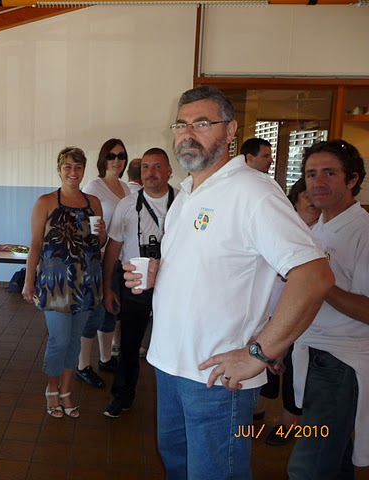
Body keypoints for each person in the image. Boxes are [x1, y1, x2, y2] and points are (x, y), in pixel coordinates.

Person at [123, 85, 334, 479]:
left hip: (218, 380)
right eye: (181, 125)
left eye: (202, 123)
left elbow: (314, 276)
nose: (188, 134)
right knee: (178, 467)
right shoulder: (187, 193)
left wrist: (260, 353)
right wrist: (158, 272)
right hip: (169, 366)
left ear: (231, 130)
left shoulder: (252, 192)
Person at [288, 140, 369, 479]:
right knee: (334, 462)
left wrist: (321, 284)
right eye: (311, 174)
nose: (317, 182)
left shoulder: (363, 232)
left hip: (340, 363)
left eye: (329, 173)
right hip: (312, 351)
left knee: (308, 468)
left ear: (352, 179)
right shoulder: (317, 229)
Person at [22, 146, 106, 418]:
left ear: (84, 170)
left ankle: (66, 390)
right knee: (59, 340)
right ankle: (52, 387)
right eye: (68, 166)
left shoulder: (93, 202)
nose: (73, 172)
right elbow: (35, 244)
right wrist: (28, 282)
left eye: (78, 167)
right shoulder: (46, 202)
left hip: (87, 283)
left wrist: (103, 234)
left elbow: (98, 244)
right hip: (55, 284)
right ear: (59, 170)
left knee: (75, 341)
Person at [102, 148, 176, 418]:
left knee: (174, 342)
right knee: (129, 344)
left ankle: (174, 401)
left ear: (169, 171)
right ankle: (122, 395)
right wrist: (107, 287)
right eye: (145, 167)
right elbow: (113, 248)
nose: (150, 172)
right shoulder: (127, 205)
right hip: (135, 283)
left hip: (174, 286)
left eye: (157, 166)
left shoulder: (183, 203)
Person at [254, 177, 321, 446]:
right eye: (306, 195)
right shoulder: (281, 225)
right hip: (269, 308)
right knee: (264, 361)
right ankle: (258, 409)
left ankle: (288, 423)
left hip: (304, 315)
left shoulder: (323, 232)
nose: (312, 201)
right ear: (295, 200)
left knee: (294, 370)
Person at [77, 139, 130, 388]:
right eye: (111, 156)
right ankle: (82, 366)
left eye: (121, 156)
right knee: (93, 313)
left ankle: (106, 358)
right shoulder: (94, 187)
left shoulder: (126, 188)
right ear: (103, 159)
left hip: (120, 259)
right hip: (97, 260)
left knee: (112, 309)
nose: (116, 160)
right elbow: (83, 226)